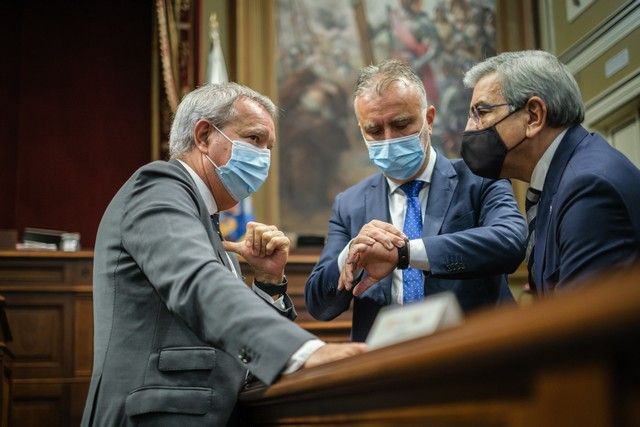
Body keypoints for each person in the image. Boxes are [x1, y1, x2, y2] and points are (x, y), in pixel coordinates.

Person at [81, 83, 366, 427]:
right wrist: (303, 352)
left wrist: (269, 281)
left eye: (269, 147)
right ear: (203, 135)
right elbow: (198, 283)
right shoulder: (158, 187)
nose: (264, 157)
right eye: (254, 139)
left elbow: (237, 349)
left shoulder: (209, 224)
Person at [305, 60, 527, 342]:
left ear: (429, 119)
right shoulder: (349, 204)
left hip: (474, 356)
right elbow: (319, 304)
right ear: (361, 131)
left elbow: (510, 242)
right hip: (389, 370)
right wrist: (351, 253)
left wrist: (405, 254)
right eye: (374, 130)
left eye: (401, 124)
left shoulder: (479, 177)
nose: (389, 139)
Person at [461, 50, 640, 295]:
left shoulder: (587, 187)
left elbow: (585, 324)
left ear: (534, 116)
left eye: (481, 113)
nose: (469, 128)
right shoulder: (558, 182)